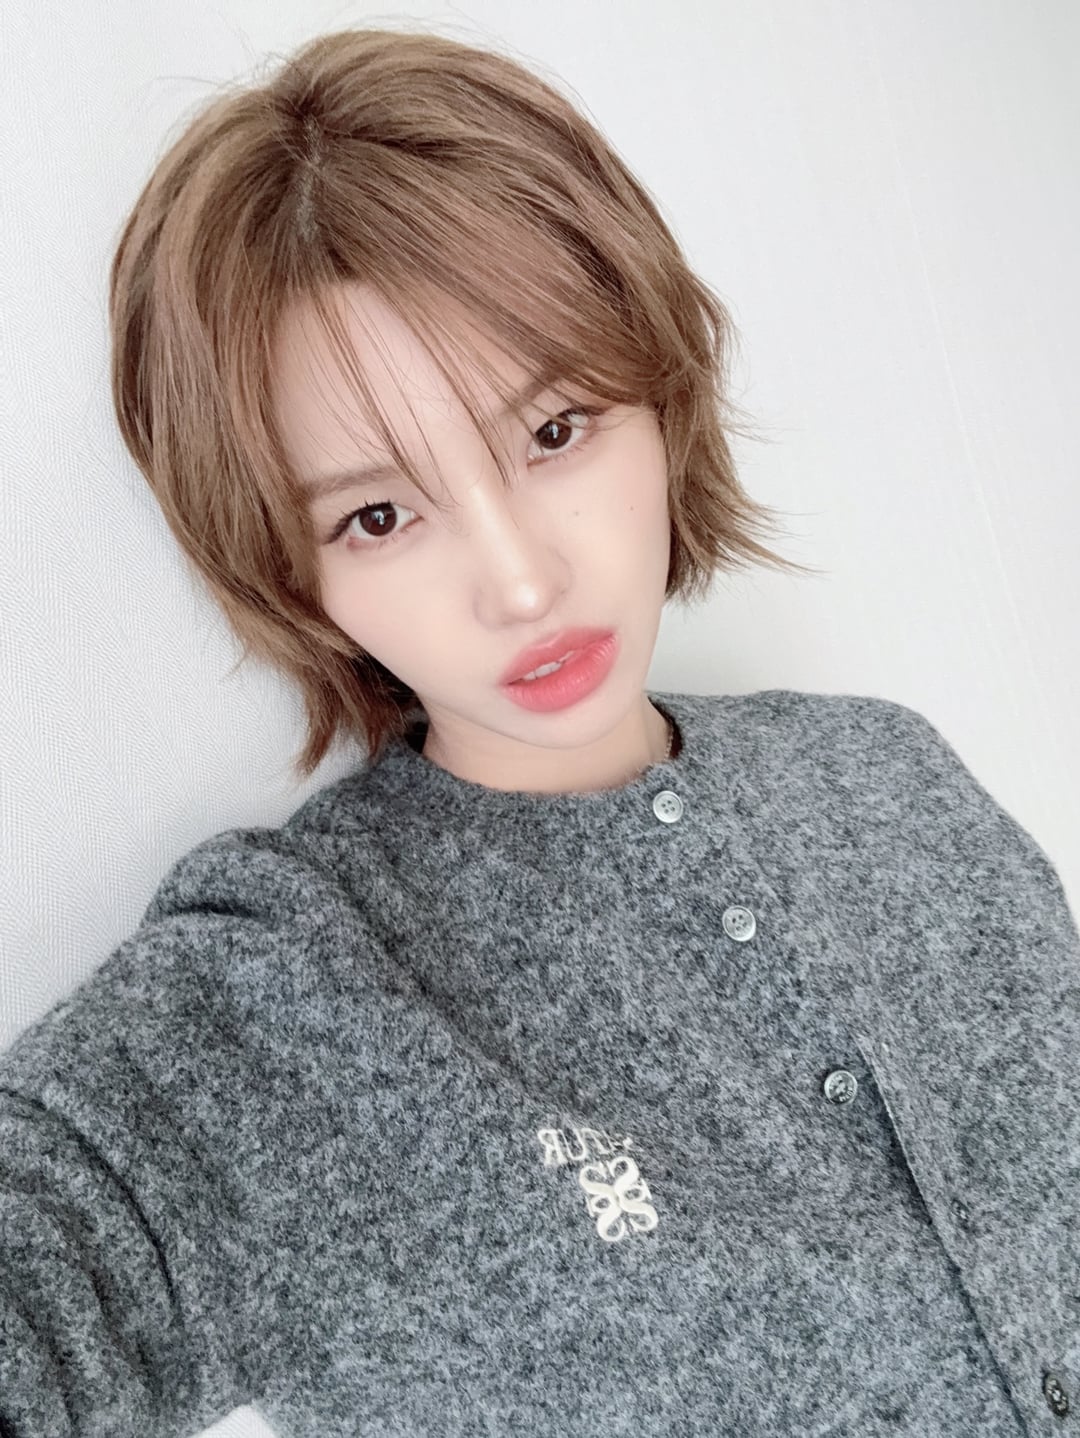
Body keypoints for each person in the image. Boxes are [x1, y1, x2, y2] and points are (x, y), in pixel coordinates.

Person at [1, 24, 1077, 1438]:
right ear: (292, 573)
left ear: (658, 388)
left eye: (555, 430)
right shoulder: (295, 989)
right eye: (377, 514)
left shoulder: (888, 773)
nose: (519, 582)